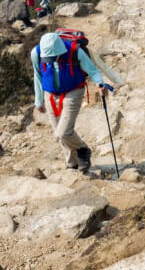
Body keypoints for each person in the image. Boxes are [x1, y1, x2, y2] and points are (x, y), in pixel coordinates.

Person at [31, 32, 112, 172]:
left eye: (51, 58)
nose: (48, 61)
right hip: (49, 94)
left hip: (73, 91)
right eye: (46, 58)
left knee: (62, 132)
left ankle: (83, 149)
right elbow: (37, 76)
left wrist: (100, 84)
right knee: (59, 131)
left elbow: (93, 71)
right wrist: (38, 101)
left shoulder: (76, 52)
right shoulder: (36, 53)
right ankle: (72, 163)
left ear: (59, 51)